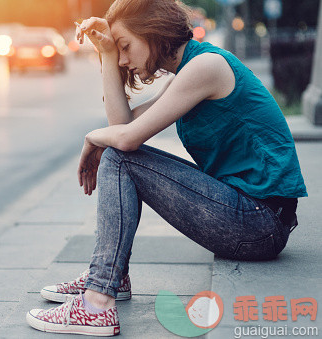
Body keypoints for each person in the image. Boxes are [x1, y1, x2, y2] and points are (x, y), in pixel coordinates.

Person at [26, 0, 307, 336]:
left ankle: (98, 301)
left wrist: (93, 138)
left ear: (153, 31)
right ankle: (111, 275)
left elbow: (124, 140)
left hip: (259, 221)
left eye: (126, 47)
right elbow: (122, 125)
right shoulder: (189, 73)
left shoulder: (207, 67)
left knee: (119, 157)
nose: (124, 60)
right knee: (119, 153)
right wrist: (106, 52)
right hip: (252, 217)